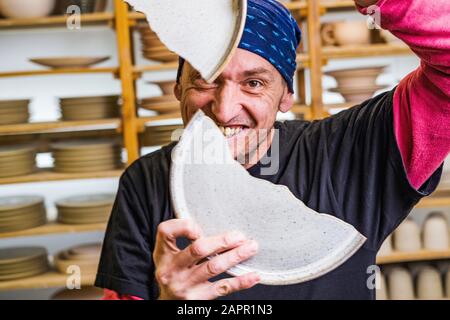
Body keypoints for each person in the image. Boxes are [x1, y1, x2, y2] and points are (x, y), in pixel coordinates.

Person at [95, 0, 450, 300]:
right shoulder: (145, 181)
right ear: (178, 88)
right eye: (205, 79)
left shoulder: (352, 151)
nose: (223, 108)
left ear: (285, 96)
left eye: (253, 83)